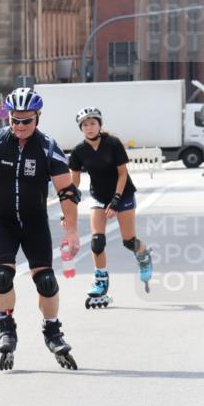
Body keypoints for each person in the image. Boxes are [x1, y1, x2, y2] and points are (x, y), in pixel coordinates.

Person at [0, 87, 80, 371]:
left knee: (47, 282)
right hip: (2, 220)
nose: (20, 126)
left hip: (35, 221)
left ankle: (52, 332)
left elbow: (68, 192)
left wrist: (72, 230)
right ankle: (6, 327)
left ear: (37, 118)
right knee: (1, 276)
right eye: (15, 120)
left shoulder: (49, 147)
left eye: (26, 121)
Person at [69, 107, 153, 307]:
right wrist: (68, 206)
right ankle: (100, 281)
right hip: (99, 196)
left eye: (93, 123)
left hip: (122, 195)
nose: (89, 127)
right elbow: (74, 182)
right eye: (85, 125)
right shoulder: (79, 151)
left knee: (128, 241)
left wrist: (116, 201)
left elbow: (122, 174)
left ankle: (144, 256)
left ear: (100, 125)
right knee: (97, 241)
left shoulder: (113, 144)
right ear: (81, 128)